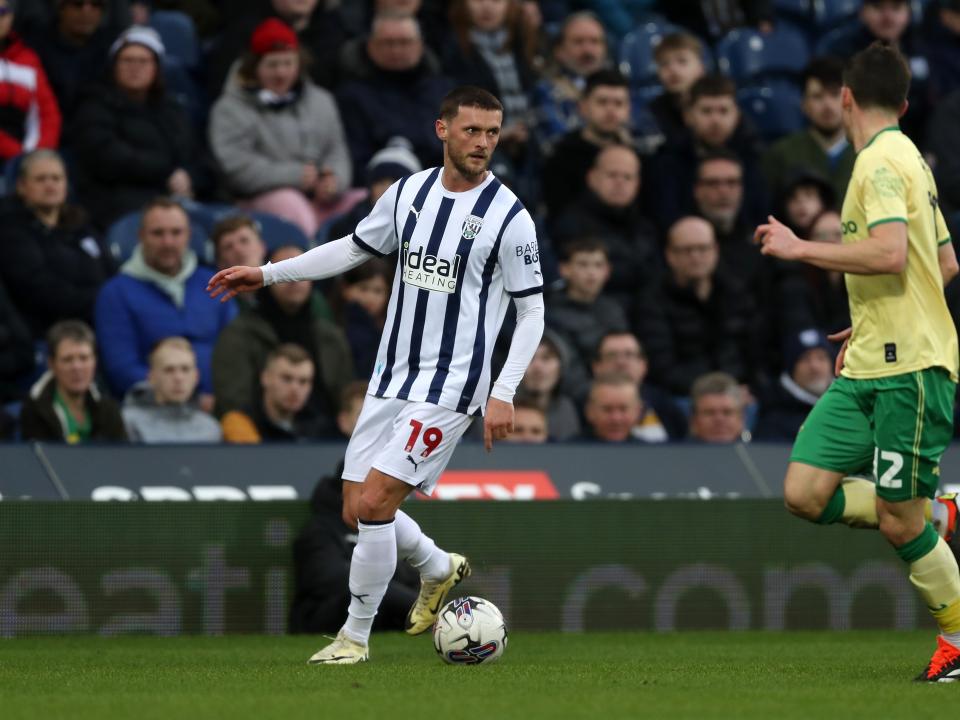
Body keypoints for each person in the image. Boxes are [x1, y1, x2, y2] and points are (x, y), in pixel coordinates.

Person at [208, 85, 545, 664]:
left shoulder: (509, 217)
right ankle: (438, 566)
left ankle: (354, 639)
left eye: (492, 133)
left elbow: (532, 310)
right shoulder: (409, 194)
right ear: (442, 130)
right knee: (353, 506)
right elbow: (351, 249)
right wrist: (267, 275)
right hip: (391, 375)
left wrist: (503, 390)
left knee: (374, 506)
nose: (483, 143)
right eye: (472, 130)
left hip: (452, 384)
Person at [754, 42, 960, 681]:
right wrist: (873, 318)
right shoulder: (910, 161)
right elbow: (944, 263)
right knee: (804, 492)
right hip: (871, 359)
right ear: (901, 103)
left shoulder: (879, 165)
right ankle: (941, 510)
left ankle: (957, 640)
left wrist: (797, 247)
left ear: (845, 97)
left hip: (912, 371)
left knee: (900, 522)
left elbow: (891, 254)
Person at [208, 17, 354, 238]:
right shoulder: (230, 108)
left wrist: (334, 179)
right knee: (294, 208)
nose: (281, 73)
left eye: (288, 63)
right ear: (254, 67)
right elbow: (235, 166)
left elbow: (336, 149)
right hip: (260, 198)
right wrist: (293, 175)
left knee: (365, 203)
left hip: (320, 197)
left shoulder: (321, 100)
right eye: (272, 65)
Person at [94, 197, 236, 404]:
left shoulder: (215, 281)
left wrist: (223, 398)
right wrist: (188, 398)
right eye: (158, 233)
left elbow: (235, 353)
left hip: (220, 405)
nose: (168, 242)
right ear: (141, 236)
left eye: (176, 232)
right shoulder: (116, 293)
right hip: (150, 410)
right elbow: (121, 369)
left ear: (188, 235)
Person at [212, 244, 354, 435]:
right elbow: (233, 402)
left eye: (303, 270)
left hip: (324, 439)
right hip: (258, 440)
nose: (294, 280)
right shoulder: (240, 333)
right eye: (285, 270)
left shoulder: (330, 336)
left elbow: (345, 398)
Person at [70, 26, 200, 229]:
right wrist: (166, 173)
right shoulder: (94, 105)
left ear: (156, 67)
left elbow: (194, 154)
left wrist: (189, 177)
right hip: (118, 200)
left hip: (175, 197)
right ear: (113, 66)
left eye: (143, 61)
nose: (135, 67)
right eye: (127, 60)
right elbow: (107, 156)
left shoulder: (172, 108)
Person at [636, 216, 759, 397]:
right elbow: (661, 368)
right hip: (685, 397)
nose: (695, 256)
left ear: (715, 250)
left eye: (702, 248)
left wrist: (751, 387)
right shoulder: (652, 302)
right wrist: (713, 393)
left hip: (741, 393)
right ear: (670, 255)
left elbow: (756, 352)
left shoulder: (736, 293)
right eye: (687, 250)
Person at [0, 149, 114, 340]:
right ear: (21, 186)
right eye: (41, 179)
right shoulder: (11, 230)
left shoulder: (81, 224)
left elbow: (111, 271)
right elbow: (38, 290)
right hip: (46, 333)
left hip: (97, 323)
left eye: (56, 178)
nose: (50, 185)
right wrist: (102, 301)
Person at [335, 11, 455, 181]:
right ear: (370, 45)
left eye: (405, 42)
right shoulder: (351, 96)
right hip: (377, 187)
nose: (396, 50)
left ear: (420, 45)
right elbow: (354, 157)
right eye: (387, 43)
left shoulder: (444, 91)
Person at [551, 143, 660, 306]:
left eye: (628, 177)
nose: (620, 182)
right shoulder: (572, 224)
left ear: (637, 184)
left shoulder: (645, 227)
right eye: (612, 175)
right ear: (592, 178)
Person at [761, 57, 856, 205]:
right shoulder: (781, 155)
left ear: (849, 100)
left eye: (835, 94)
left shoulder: (868, 152)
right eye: (817, 96)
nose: (827, 105)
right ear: (804, 104)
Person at [540, 69, 632, 219]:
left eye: (618, 103)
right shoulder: (561, 157)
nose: (611, 110)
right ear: (583, 107)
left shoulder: (634, 155)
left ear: (628, 110)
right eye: (602, 102)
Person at [19, 319, 126, 443]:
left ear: (95, 361)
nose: (77, 367)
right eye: (67, 359)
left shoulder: (109, 409)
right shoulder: (35, 410)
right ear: (51, 364)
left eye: (84, 358)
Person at [545, 236, 628, 382]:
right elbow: (567, 367)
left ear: (607, 271)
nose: (591, 272)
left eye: (598, 265)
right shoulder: (549, 312)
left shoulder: (614, 310)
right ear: (565, 269)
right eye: (583, 264)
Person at [530, 11, 608, 153]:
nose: (588, 50)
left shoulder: (618, 89)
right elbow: (555, 145)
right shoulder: (546, 91)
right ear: (559, 51)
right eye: (578, 42)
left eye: (595, 41)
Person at [24, 0, 113, 120]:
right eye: (78, 4)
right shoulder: (34, 47)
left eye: (96, 5)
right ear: (62, 8)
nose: (86, 12)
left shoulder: (110, 50)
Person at [591, 331, 687, 442]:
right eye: (611, 355)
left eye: (629, 354)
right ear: (596, 366)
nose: (621, 362)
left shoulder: (665, 404)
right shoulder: (581, 405)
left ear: (644, 365)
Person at [122, 336, 222, 443]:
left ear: (196, 377)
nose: (179, 378)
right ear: (151, 377)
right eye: (169, 370)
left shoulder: (210, 429)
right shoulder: (127, 424)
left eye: (185, 369)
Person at [220, 343, 324, 442]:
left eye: (303, 381)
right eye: (286, 378)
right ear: (265, 378)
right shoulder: (240, 422)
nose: (295, 388)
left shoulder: (319, 426)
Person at [0, 0, 61, 163]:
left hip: (24, 157)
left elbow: (47, 113)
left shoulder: (27, 58)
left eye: (3, 12)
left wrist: (38, 153)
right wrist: (19, 155)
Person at [755, 329, 834, 441]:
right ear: (792, 369)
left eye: (821, 357)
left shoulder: (851, 405)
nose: (815, 367)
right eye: (805, 359)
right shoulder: (773, 418)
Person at [330, 258, 392, 379]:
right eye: (363, 288)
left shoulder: (390, 329)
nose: (370, 297)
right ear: (345, 288)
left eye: (378, 291)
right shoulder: (334, 326)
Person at [517, 331, 581, 441]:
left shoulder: (566, 410)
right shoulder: (495, 408)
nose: (537, 367)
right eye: (529, 357)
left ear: (561, 367)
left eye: (546, 358)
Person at [648, 32, 706, 149]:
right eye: (664, 64)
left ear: (700, 67)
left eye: (682, 61)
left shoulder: (720, 102)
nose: (673, 69)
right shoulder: (654, 111)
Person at [687, 371, 748, 444]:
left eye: (727, 412)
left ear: (741, 418)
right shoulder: (678, 454)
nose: (719, 419)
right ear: (694, 420)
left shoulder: (758, 454)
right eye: (709, 413)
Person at [581, 373, 643, 443]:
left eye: (623, 409)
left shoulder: (650, 451)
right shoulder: (569, 451)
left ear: (638, 411)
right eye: (607, 409)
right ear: (590, 412)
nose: (616, 419)